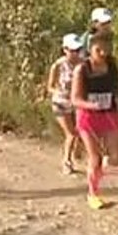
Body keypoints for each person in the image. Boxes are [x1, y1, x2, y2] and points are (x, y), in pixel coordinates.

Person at [70, 32, 118, 210]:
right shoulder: (82, 69)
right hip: (88, 116)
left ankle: (98, 171)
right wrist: (91, 105)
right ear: (90, 49)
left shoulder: (112, 64)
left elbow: (117, 87)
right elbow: (75, 99)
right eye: (98, 49)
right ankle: (93, 194)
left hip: (110, 113)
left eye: (106, 48)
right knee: (94, 157)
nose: (103, 53)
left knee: (116, 157)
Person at [46, 33, 84, 175]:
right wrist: (59, 92)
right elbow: (49, 86)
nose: (75, 54)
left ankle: (76, 152)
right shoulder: (58, 65)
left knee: (81, 131)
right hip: (61, 102)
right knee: (71, 134)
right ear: (65, 50)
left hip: (77, 102)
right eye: (72, 50)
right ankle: (66, 162)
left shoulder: (83, 64)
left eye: (77, 50)